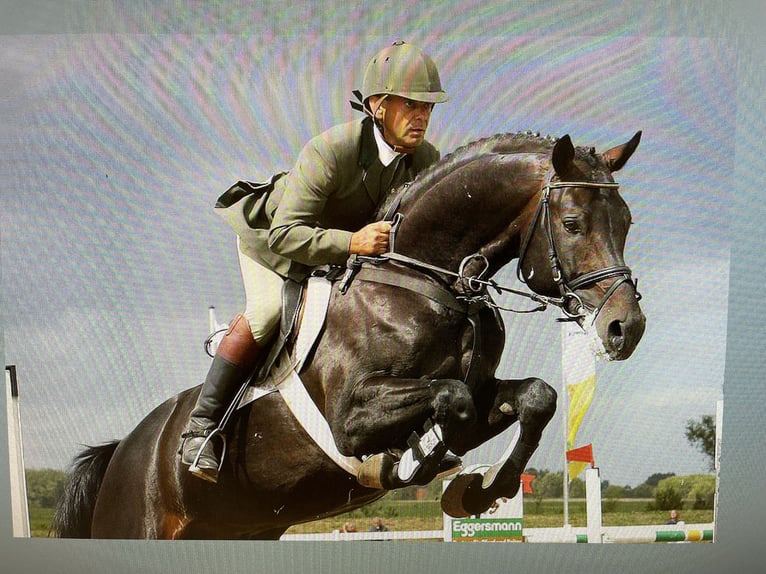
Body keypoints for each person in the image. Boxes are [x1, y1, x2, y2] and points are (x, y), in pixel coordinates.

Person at [180, 41, 450, 484]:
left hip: (340, 253)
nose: (421, 116)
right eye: (411, 105)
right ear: (379, 106)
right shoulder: (332, 149)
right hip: (274, 244)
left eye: (427, 107)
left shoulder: (426, 160)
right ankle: (202, 429)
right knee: (267, 314)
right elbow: (287, 234)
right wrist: (353, 242)